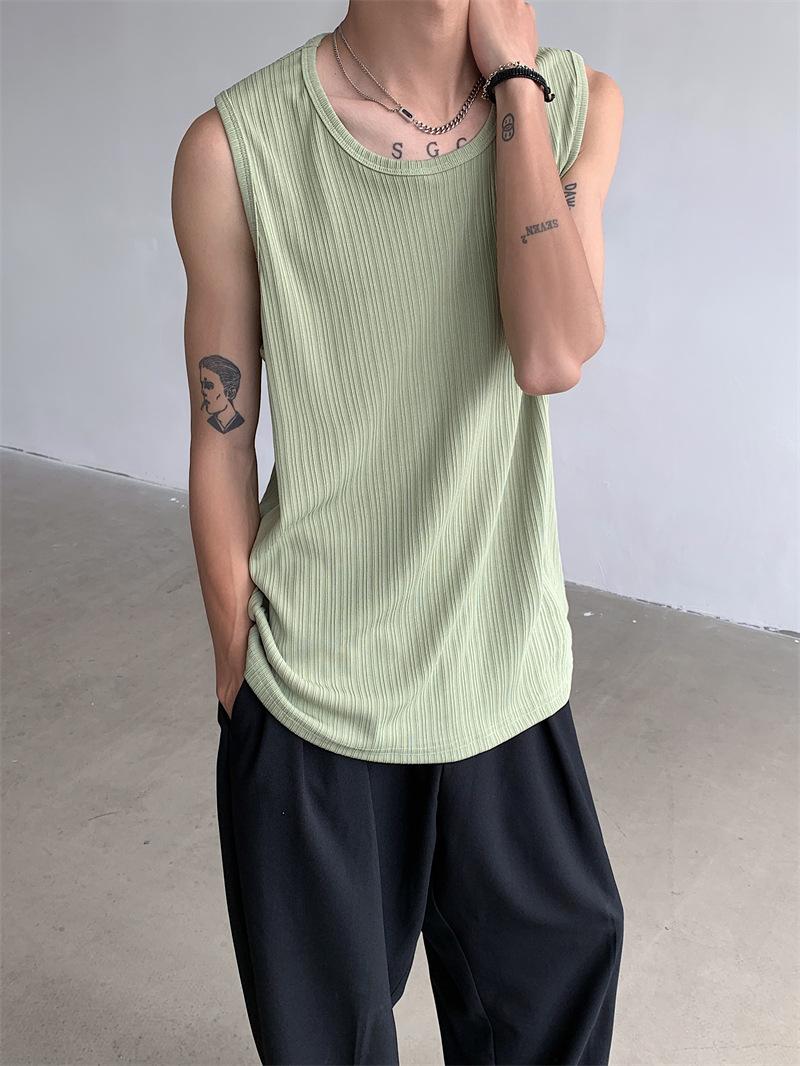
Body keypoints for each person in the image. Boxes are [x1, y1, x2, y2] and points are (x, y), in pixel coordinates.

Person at [171, 1, 625, 1062]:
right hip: (316, 695)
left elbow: (552, 353)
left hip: (503, 681)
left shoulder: (575, 102)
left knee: (550, 1015)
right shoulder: (236, 149)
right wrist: (240, 677)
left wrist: (514, 85)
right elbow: (221, 437)